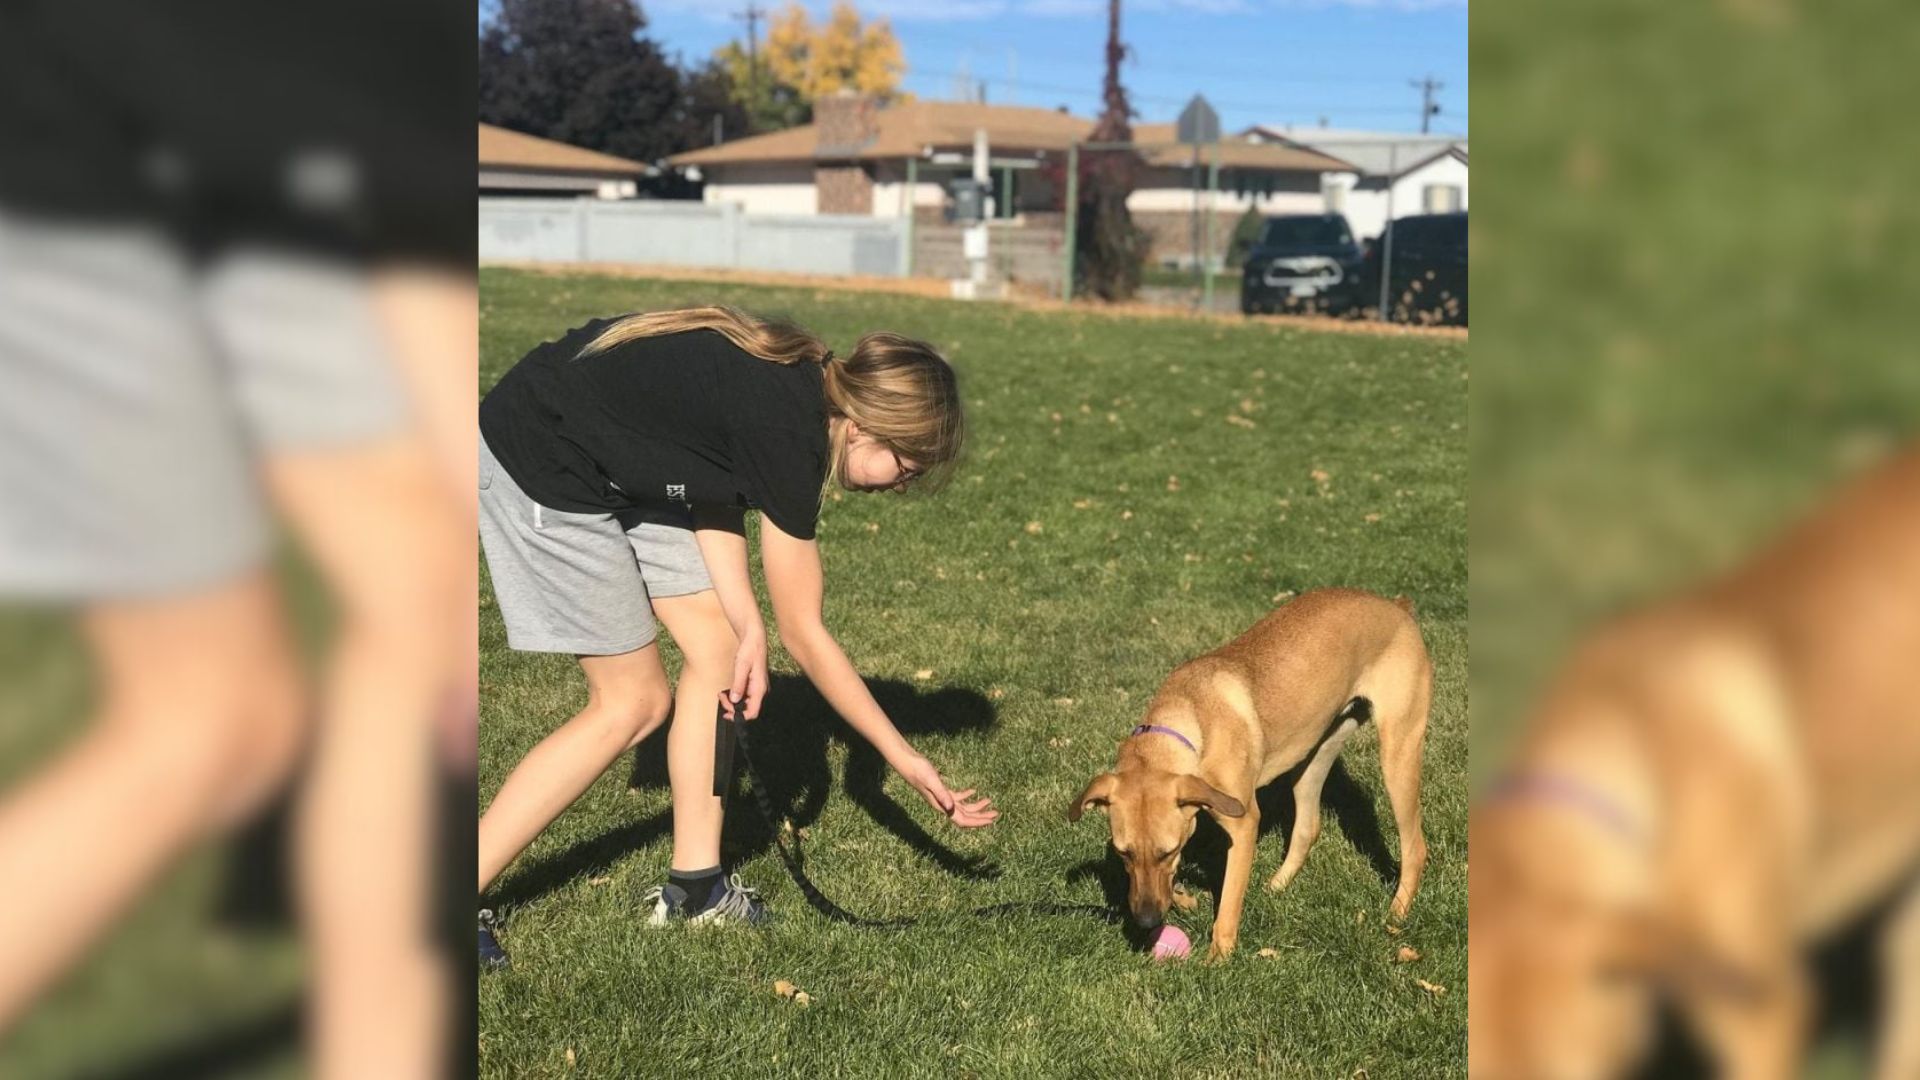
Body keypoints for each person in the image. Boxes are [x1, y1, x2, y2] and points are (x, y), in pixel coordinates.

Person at [476, 306, 998, 962]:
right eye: (908, 468)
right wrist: (905, 757)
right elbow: (806, 635)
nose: (903, 486)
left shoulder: (801, 393)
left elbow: (710, 482)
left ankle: (696, 887)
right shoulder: (790, 432)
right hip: (544, 453)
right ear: (866, 427)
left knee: (720, 651)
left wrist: (746, 620)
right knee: (632, 703)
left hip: (613, 451)